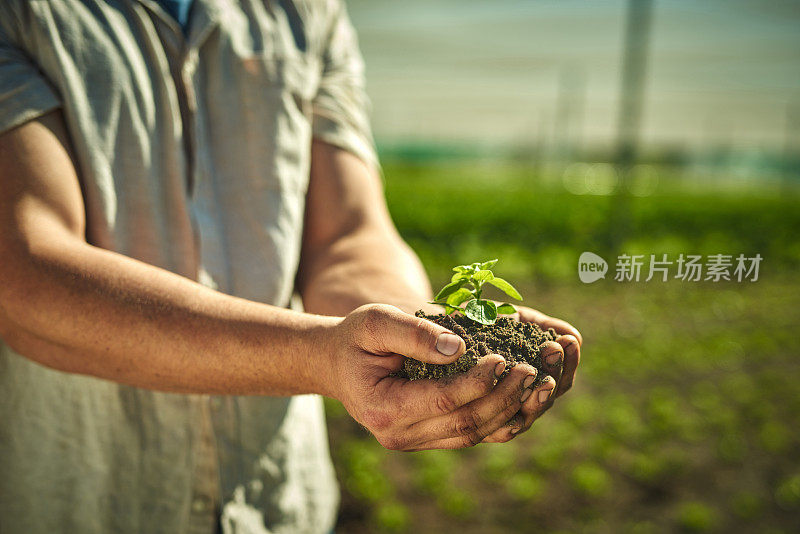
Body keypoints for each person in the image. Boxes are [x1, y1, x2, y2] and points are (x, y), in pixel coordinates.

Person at [0, 1, 582, 533]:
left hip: (277, 510)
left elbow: (350, 235)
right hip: (81, 500)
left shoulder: (304, 10)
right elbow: (25, 272)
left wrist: (413, 335)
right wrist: (319, 355)